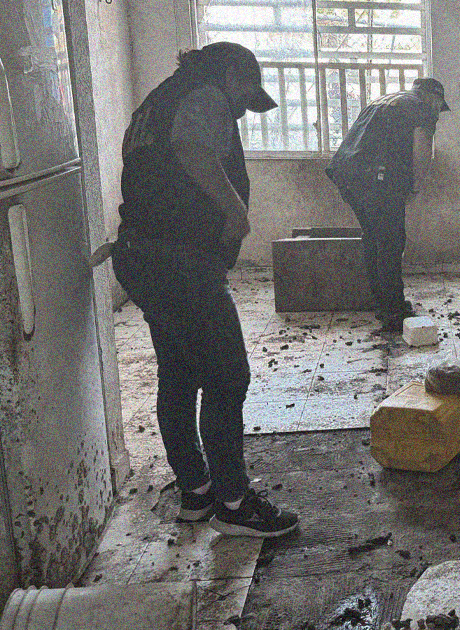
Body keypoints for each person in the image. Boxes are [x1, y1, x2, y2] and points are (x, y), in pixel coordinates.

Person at [110, 42, 298, 537]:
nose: (242, 111)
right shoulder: (207, 94)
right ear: (231, 74)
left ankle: (196, 491)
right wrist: (235, 209)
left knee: (178, 372)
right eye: (245, 96)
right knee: (227, 376)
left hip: (141, 255)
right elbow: (192, 148)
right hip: (181, 262)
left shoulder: (157, 100)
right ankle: (234, 503)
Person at [326, 77, 450, 332]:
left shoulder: (384, 100)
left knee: (374, 238)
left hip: (347, 174)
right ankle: (393, 311)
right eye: (440, 105)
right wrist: (415, 188)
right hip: (377, 180)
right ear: (434, 97)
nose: (439, 111)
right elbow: (422, 151)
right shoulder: (423, 109)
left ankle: (381, 303)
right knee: (390, 242)